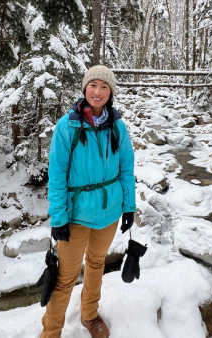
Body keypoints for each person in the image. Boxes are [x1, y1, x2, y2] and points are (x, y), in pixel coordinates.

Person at [41, 65, 136, 338]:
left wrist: (128, 206)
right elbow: (57, 174)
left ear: (110, 93)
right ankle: (51, 333)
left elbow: (126, 169)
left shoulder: (117, 126)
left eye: (104, 87)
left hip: (109, 212)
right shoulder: (67, 125)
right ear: (85, 89)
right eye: (93, 85)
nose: (98, 91)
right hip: (76, 214)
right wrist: (58, 217)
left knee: (96, 264)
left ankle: (90, 315)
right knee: (64, 279)